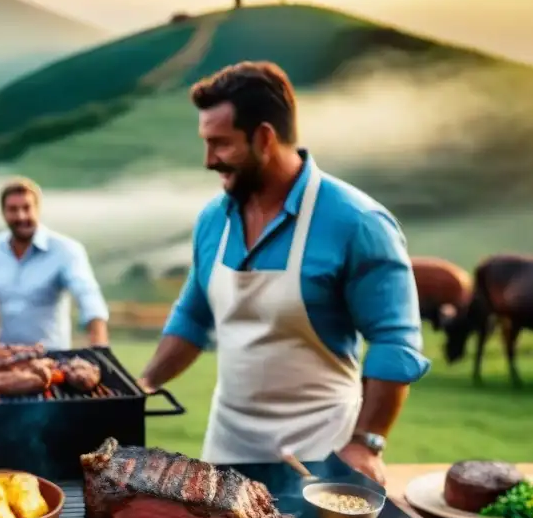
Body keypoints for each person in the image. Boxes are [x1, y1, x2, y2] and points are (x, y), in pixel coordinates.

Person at [138, 62, 429, 490]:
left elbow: (395, 341)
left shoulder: (358, 222)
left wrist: (366, 443)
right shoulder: (213, 220)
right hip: (227, 448)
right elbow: (193, 316)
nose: (208, 160)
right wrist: (143, 385)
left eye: (220, 144)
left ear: (264, 138)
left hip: (322, 450)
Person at [0, 177, 109, 350]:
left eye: (27, 208)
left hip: (51, 361)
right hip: (5, 360)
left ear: (38, 209)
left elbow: (88, 296)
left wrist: (99, 345)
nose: (21, 216)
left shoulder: (65, 250)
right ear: (3, 213)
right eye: (13, 210)